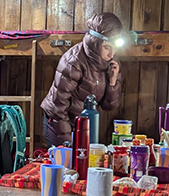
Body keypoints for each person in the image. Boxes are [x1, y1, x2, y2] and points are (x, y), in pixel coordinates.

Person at [41, 13, 124, 147]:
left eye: (115, 48)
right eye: (107, 47)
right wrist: (68, 144)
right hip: (59, 121)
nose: (111, 54)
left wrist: (112, 83)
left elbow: (109, 106)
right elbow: (58, 107)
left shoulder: (111, 62)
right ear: (95, 43)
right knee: (68, 158)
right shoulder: (73, 62)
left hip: (83, 124)